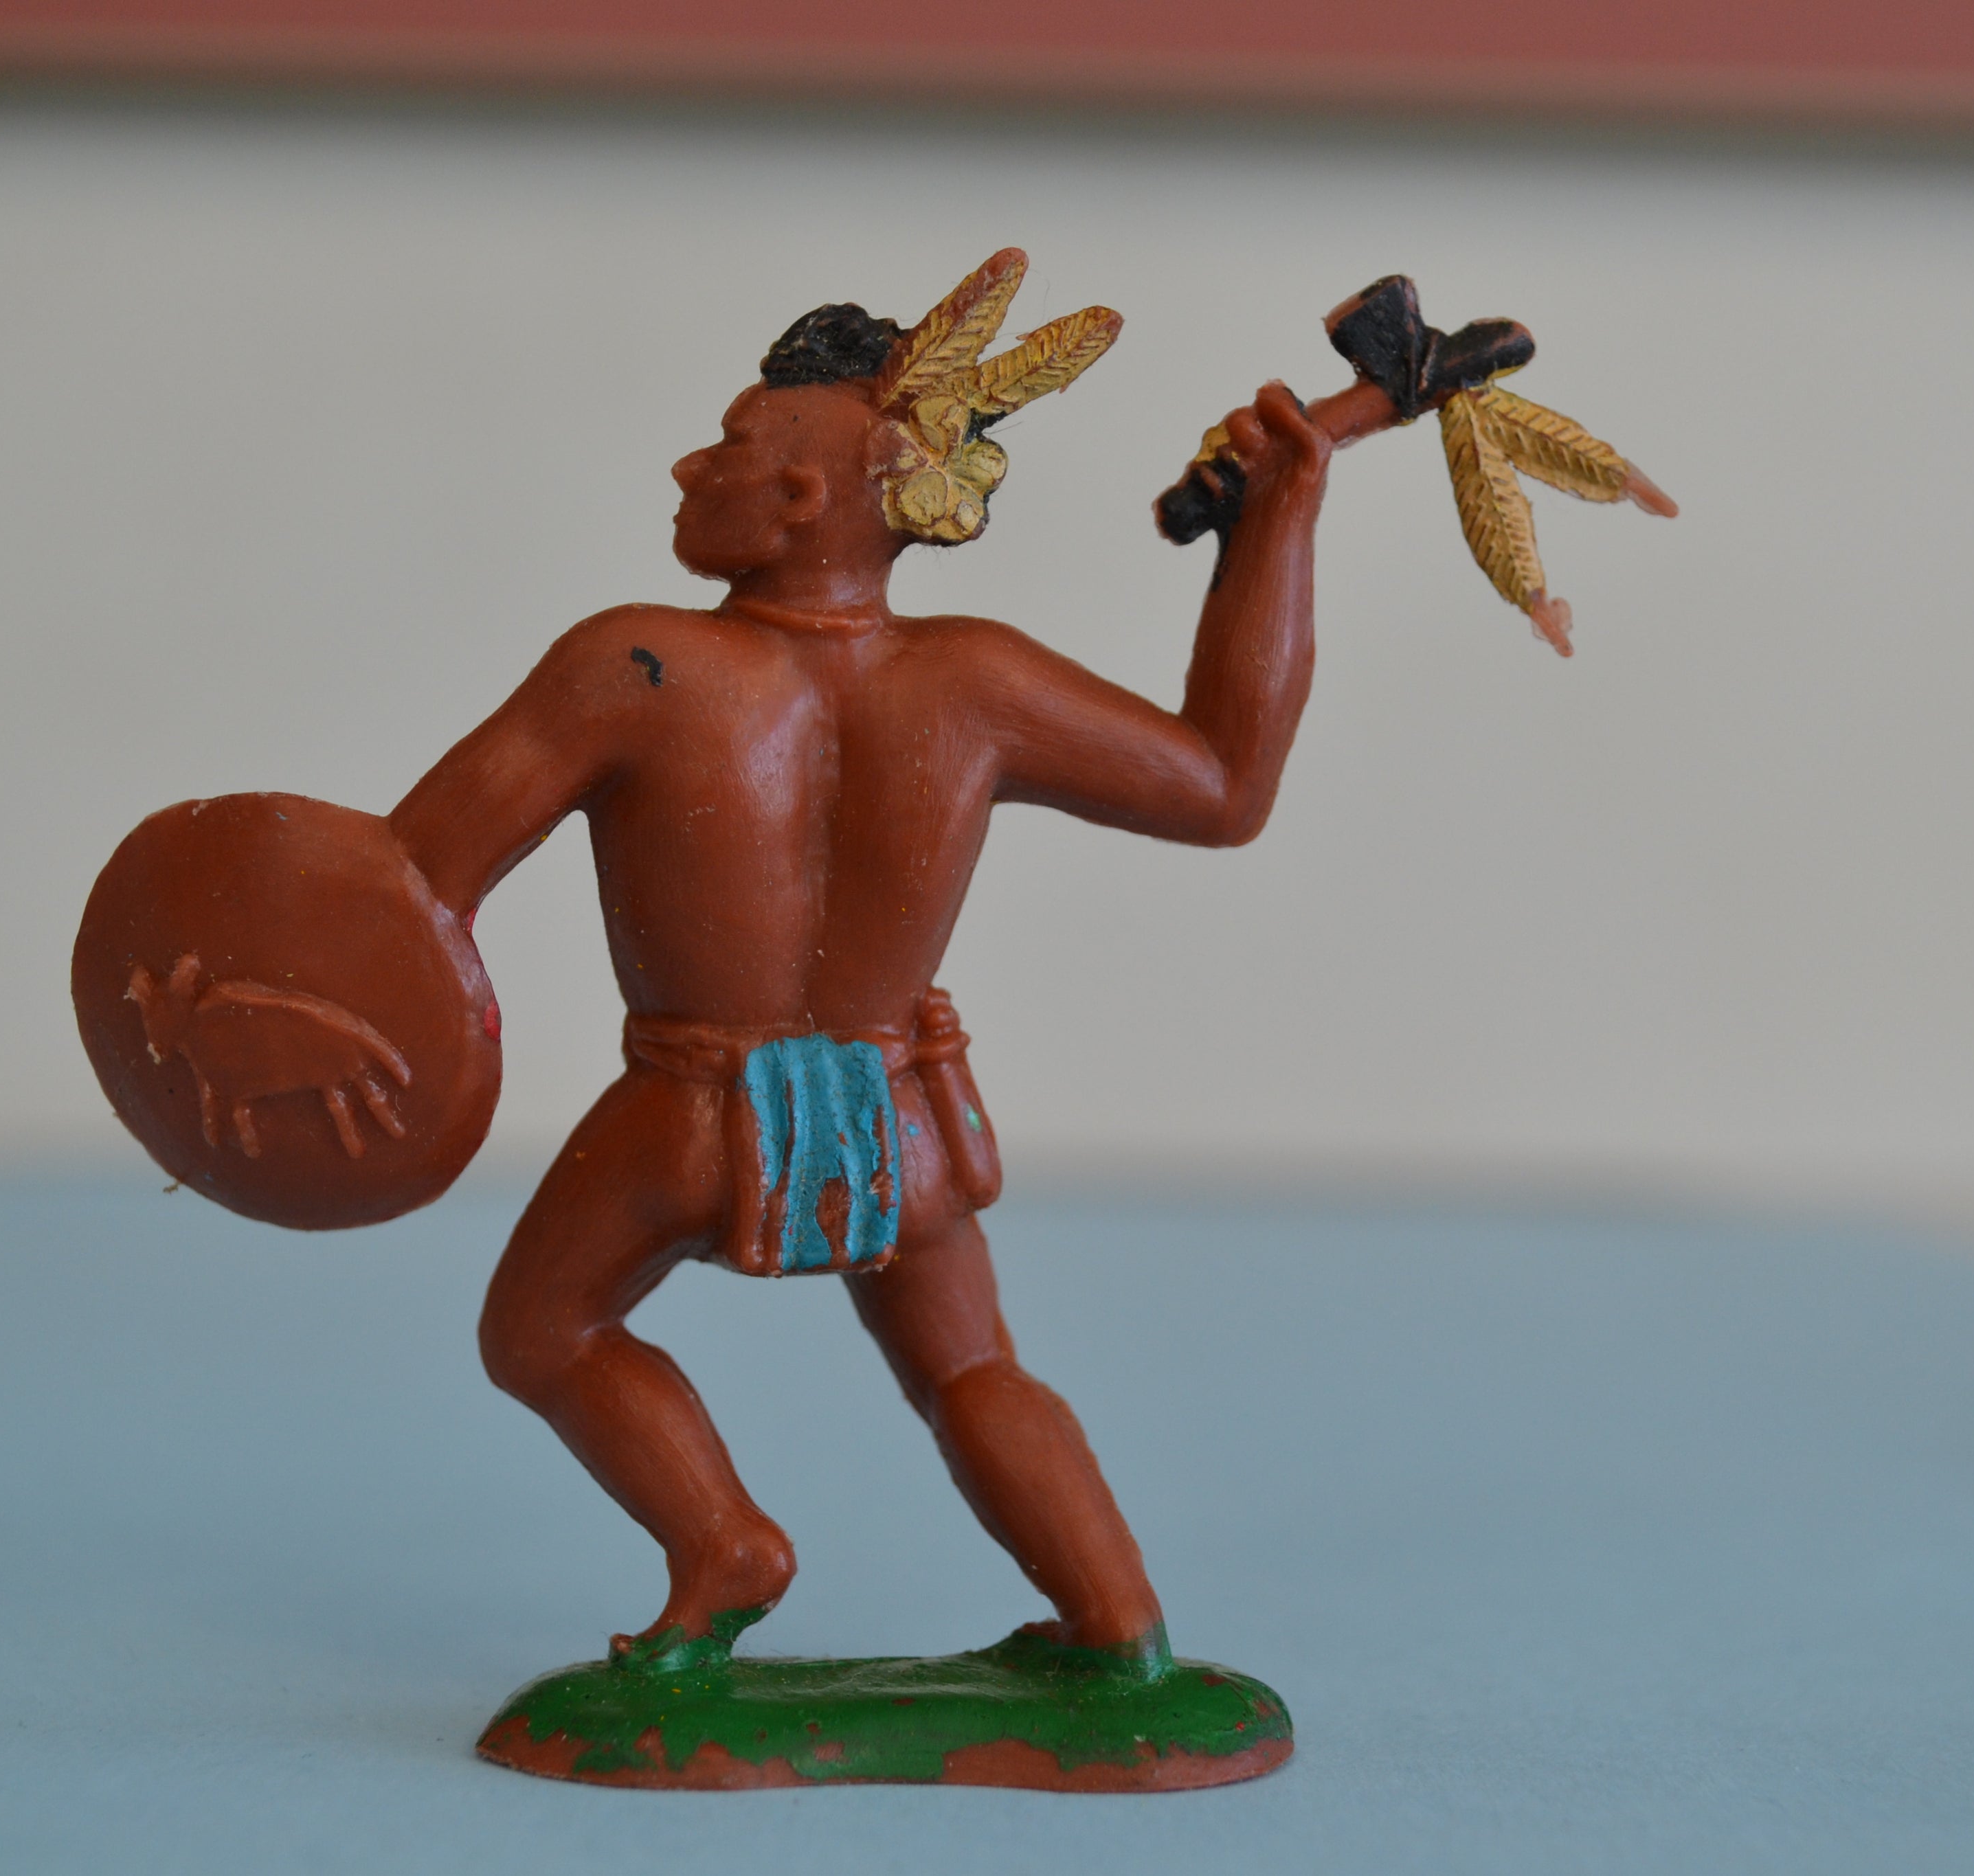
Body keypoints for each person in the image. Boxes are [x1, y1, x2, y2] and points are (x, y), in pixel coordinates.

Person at [387, 250, 1332, 1673]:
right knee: (969, 1368)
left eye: (730, 444)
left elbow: (417, 879)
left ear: (797, 499)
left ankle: (723, 1542)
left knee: (541, 1330)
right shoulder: (977, 682)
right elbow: (1222, 781)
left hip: (687, 1117)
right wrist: (1275, 529)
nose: (691, 465)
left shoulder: (631, 669)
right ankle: (1120, 1627)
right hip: (893, 1118)